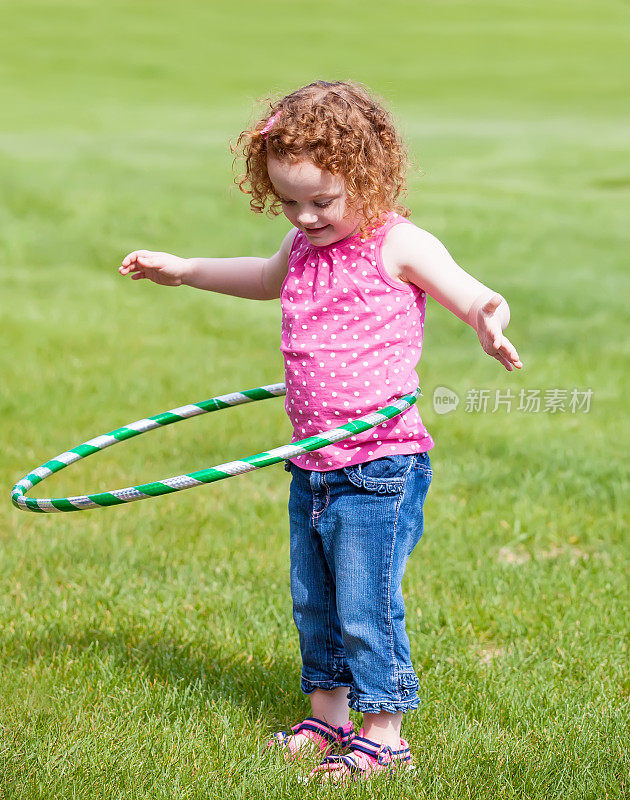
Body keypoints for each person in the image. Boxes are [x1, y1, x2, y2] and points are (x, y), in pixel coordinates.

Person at [118, 80, 522, 782]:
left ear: (368, 175)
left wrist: (488, 316)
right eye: (290, 202)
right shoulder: (301, 244)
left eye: (322, 202)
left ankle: (384, 731)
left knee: (366, 602)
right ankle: (328, 714)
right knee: (316, 600)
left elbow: (470, 290)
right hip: (313, 465)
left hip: (379, 463)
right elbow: (262, 276)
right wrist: (184, 270)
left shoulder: (400, 244)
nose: (304, 218)